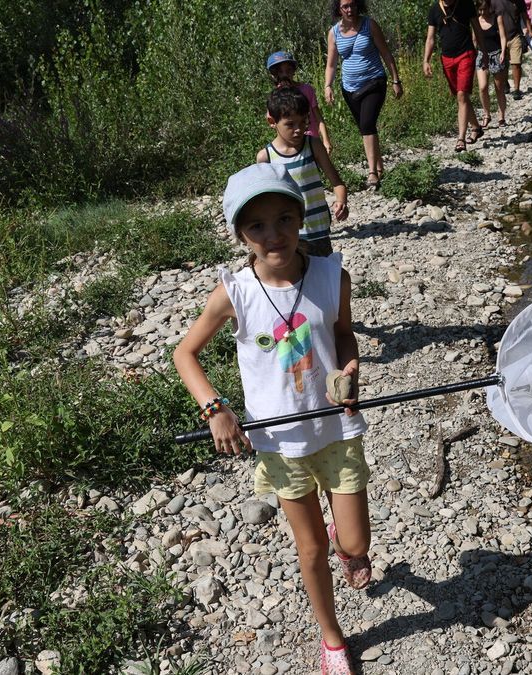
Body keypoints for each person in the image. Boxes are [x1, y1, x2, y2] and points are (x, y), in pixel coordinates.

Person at [173, 162, 372, 675]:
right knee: (309, 548)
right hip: (280, 444)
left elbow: (344, 332)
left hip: (336, 430)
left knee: (354, 543)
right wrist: (216, 409)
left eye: (284, 218)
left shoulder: (332, 276)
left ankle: (345, 544)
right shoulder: (234, 292)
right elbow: (185, 353)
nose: (274, 233)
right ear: (240, 233)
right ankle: (332, 638)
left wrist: (350, 364)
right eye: (257, 225)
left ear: (301, 218)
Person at [257, 88, 349, 257]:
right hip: (287, 235)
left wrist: (341, 201)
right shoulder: (266, 157)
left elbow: (337, 182)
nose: (298, 129)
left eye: (303, 122)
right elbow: (264, 202)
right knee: (296, 279)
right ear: (272, 121)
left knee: (323, 275)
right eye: (290, 124)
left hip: (318, 229)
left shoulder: (313, 145)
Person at [324, 0, 403, 189]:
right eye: (345, 6)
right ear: (339, 9)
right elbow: (332, 64)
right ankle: (379, 165)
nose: (350, 9)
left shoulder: (370, 25)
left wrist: (395, 80)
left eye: (353, 5)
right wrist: (328, 86)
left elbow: (386, 53)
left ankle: (372, 172)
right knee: (365, 127)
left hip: (374, 81)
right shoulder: (334, 33)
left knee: (367, 124)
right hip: (349, 87)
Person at [423, 0, 484, 152]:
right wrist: (426, 60)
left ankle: (461, 139)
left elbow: (477, 29)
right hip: (447, 58)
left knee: (462, 94)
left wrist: (485, 52)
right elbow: (430, 38)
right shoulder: (434, 9)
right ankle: (476, 127)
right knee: (459, 95)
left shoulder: (466, 4)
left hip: (466, 54)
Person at [267, 50, 333, 156]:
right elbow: (274, 122)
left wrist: (325, 140)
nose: (285, 75)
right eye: (281, 71)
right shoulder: (276, 97)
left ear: (293, 71)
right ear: (275, 74)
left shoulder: (306, 89)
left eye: (288, 71)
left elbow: (318, 117)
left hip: (311, 139)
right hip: (292, 143)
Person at [474, 0, 509, 127]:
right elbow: (474, 39)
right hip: (481, 55)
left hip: (496, 54)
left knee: (499, 88)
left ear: (489, 7)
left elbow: (503, 36)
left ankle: (501, 116)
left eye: (484, 9)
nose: (482, 12)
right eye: (480, 10)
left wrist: (503, 52)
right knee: (482, 87)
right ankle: (486, 114)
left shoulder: (496, 18)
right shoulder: (476, 20)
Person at [493, 0, 532, 100]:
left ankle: (516, 89)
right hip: (499, 37)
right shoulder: (494, 2)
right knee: (503, 63)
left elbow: (525, 16)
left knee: (516, 63)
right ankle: (505, 82)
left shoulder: (519, 1)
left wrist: (530, 31)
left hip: (515, 35)